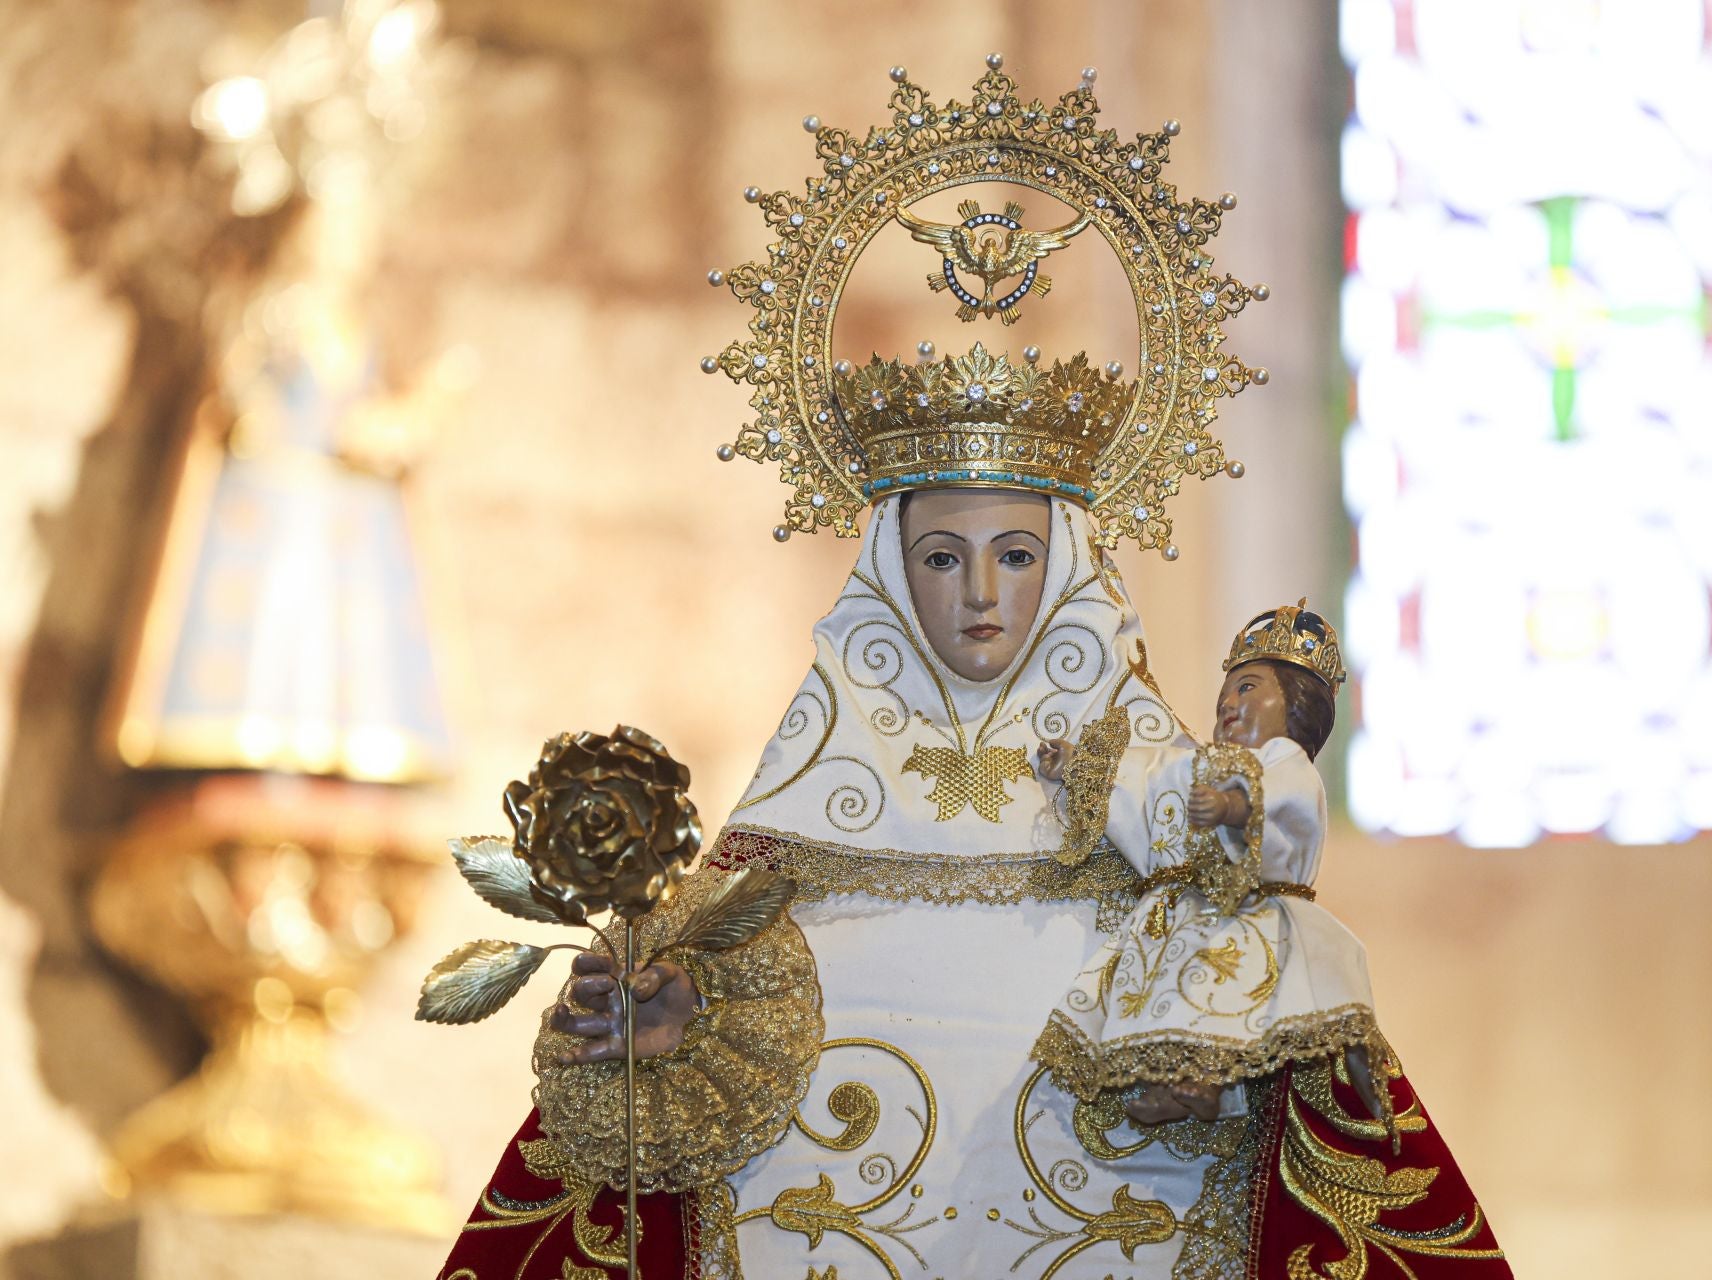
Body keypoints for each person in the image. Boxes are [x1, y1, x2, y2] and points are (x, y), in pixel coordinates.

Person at [437, 58, 1511, 1280]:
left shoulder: (1159, 807)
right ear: (891, 574)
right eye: (942, 556)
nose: (983, 596)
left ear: (1066, 569)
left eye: (1016, 554)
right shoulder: (784, 845)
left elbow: (1281, 1091)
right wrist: (656, 1033)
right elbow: (675, 1119)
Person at [1031, 603, 1391, 1137]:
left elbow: (1288, 804)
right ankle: (1172, 1081)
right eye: (1225, 692)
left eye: (1247, 688)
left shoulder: (1284, 761)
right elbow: (1141, 781)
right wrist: (1077, 766)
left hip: (1250, 913)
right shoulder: (1189, 764)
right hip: (1179, 913)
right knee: (1169, 993)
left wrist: (1233, 808)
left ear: (1296, 707)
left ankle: (1203, 1085)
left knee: (1219, 991)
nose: (1228, 701)